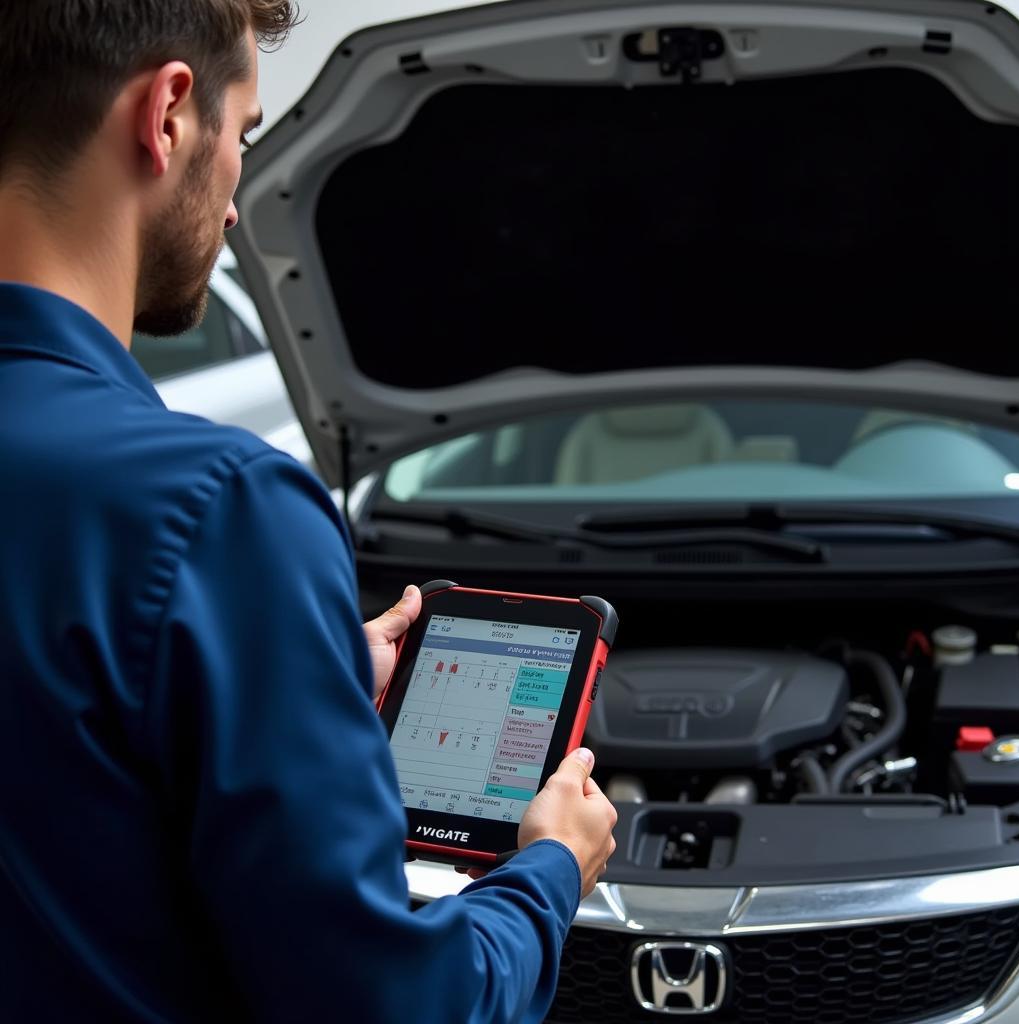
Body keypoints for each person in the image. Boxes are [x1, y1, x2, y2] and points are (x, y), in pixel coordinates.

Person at [0, 3, 617, 1022]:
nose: (237, 203)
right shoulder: (216, 510)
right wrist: (548, 875)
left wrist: (298, 659)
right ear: (166, 115)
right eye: (243, 135)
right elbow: (393, 1005)